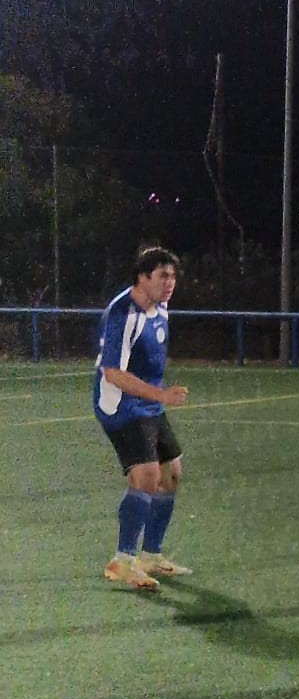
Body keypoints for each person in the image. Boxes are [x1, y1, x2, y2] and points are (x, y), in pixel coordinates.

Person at [93, 246, 191, 592]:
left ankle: (150, 555)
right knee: (146, 476)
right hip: (120, 405)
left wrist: (156, 397)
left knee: (171, 473)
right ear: (142, 277)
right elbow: (113, 373)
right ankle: (122, 561)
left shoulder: (161, 308)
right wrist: (161, 395)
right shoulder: (122, 313)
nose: (170, 283)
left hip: (148, 405)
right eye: (163, 276)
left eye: (173, 277)